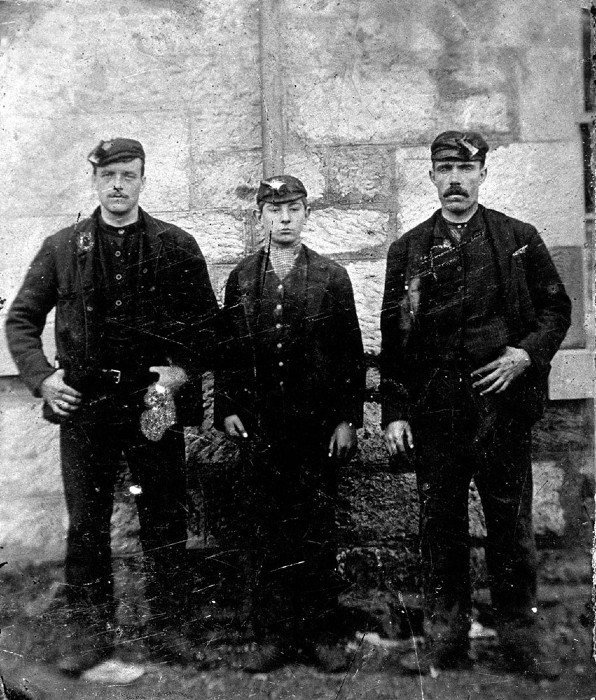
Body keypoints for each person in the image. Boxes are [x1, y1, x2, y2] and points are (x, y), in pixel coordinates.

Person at [5, 138, 218, 674]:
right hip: (87, 406)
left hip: (154, 401)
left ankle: (170, 628)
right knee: (87, 523)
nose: (118, 185)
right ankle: (89, 632)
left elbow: (207, 328)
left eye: (128, 175)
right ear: (94, 181)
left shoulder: (176, 244)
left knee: (164, 517)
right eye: (109, 176)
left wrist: (182, 370)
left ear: (144, 179)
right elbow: (21, 320)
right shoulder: (63, 247)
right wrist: (44, 379)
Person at [380, 131, 571, 679]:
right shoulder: (409, 248)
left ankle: (519, 638)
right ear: (432, 176)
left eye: (466, 168)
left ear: (483, 172)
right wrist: (395, 411)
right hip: (438, 414)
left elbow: (556, 311)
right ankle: (446, 638)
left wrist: (524, 356)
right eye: (445, 169)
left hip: (502, 411)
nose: (456, 179)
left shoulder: (518, 238)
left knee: (510, 529)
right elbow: (395, 339)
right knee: (440, 529)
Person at [215, 175, 365, 673]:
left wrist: (346, 419)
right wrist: (229, 407)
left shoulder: (331, 276)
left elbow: (349, 356)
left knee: (317, 529)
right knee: (265, 531)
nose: (284, 218)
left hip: (316, 430)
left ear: (306, 215)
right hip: (261, 430)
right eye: (274, 209)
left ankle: (321, 633)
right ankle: (272, 635)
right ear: (259, 216)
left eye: (293, 209)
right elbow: (230, 351)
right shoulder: (241, 278)